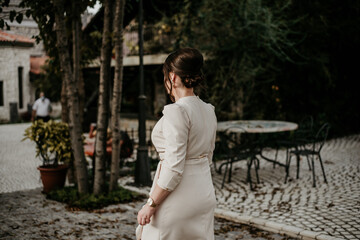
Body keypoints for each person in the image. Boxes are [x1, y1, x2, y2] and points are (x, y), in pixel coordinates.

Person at [136, 48, 217, 240]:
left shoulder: (176, 111)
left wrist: (151, 204)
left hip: (178, 198)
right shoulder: (208, 110)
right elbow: (209, 156)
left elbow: (174, 166)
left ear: (172, 77)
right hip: (203, 192)